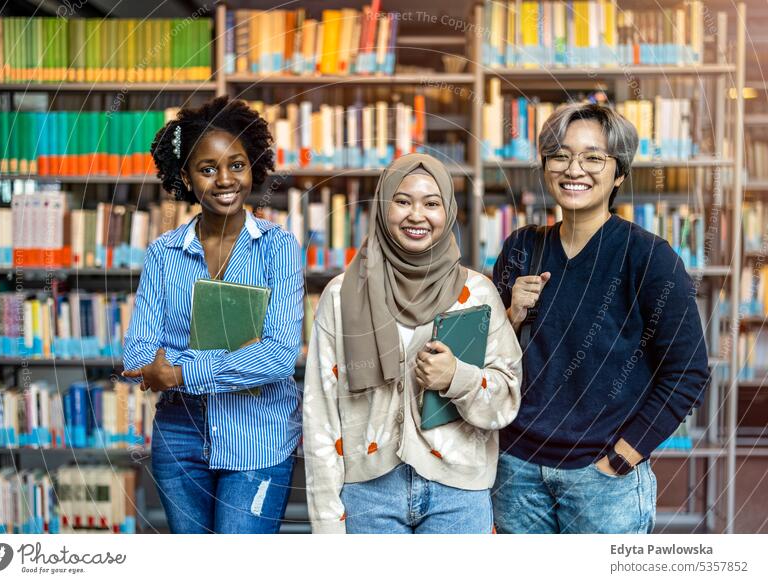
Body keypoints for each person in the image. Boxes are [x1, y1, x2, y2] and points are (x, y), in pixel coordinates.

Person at [491, 102, 710, 534]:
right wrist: (511, 315)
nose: (575, 169)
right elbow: (486, 361)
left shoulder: (649, 258)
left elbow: (688, 372)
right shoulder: (521, 248)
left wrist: (626, 454)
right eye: (560, 155)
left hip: (602, 477)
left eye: (594, 157)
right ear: (546, 166)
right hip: (516, 469)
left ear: (619, 174)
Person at [303, 153, 522, 534]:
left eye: (431, 203)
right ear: (383, 207)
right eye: (402, 201)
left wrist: (459, 378)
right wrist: (325, 521)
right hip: (368, 494)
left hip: (459, 492)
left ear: (449, 211)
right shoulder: (340, 296)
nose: (416, 215)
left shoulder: (477, 294)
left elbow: (506, 399)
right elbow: (320, 412)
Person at [121, 96, 304, 534]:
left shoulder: (280, 250)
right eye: (208, 169)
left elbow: (277, 357)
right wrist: (235, 358)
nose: (225, 180)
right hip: (179, 437)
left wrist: (180, 371)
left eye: (237, 165)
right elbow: (138, 351)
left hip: (259, 436)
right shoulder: (164, 254)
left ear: (253, 167)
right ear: (185, 176)